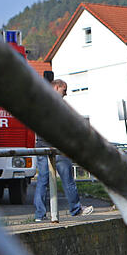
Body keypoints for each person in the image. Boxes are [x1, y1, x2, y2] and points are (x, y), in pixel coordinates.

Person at [33, 79, 92, 221]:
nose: (65, 94)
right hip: (57, 148)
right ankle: (76, 209)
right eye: (64, 90)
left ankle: (39, 215)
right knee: (68, 179)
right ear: (57, 87)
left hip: (42, 146)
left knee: (42, 180)